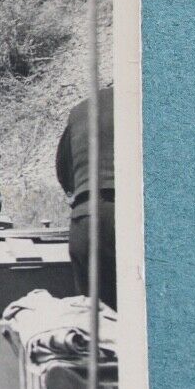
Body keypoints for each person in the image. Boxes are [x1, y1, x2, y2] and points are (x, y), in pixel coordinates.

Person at [56, 86, 116, 310]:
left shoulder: (80, 109)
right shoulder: (149, 102)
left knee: (98, 327)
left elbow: (63, 169)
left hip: (85, 218)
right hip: (133, 218)